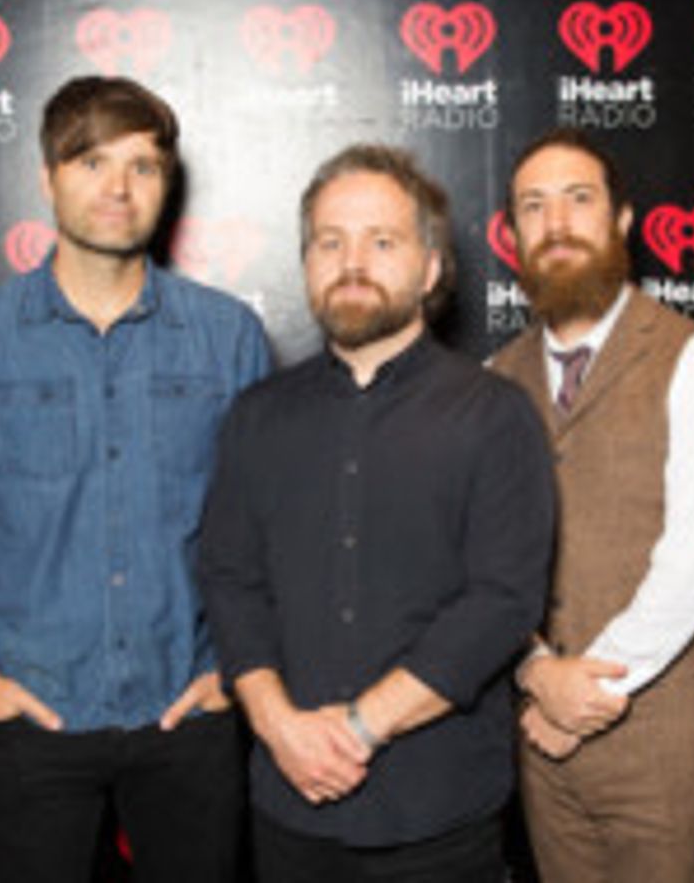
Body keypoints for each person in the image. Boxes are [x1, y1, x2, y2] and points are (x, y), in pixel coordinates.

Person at [0, 75, 270, 883]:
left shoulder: (227, 336)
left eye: (143, 165)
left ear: (168, 186)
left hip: (189, 713)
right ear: (47, 177)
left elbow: (269, 526)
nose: (119, 187)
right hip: (31, 718)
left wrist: (238, 670)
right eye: (93, 161)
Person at [197, 144, 555, 882]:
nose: (351, 260)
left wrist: (356, 728)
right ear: (305, 264)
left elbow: (501, 601)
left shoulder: (495, 415)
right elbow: (230, 581)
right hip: (290, 811)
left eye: (380, 241)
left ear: (430, 269)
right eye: (330, 241)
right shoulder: (256, 418)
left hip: (440, 815)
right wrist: (278, 725)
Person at [490, 128, 694, 882]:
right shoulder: (495, 378)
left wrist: (581, 692)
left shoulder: (693, 358)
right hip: (538, 732)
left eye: (579, 199)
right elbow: (481, 559)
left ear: (622, 221)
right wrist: (538, 672)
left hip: (659, 733)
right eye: (534, 207)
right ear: (512, 236)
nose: (558, 223)